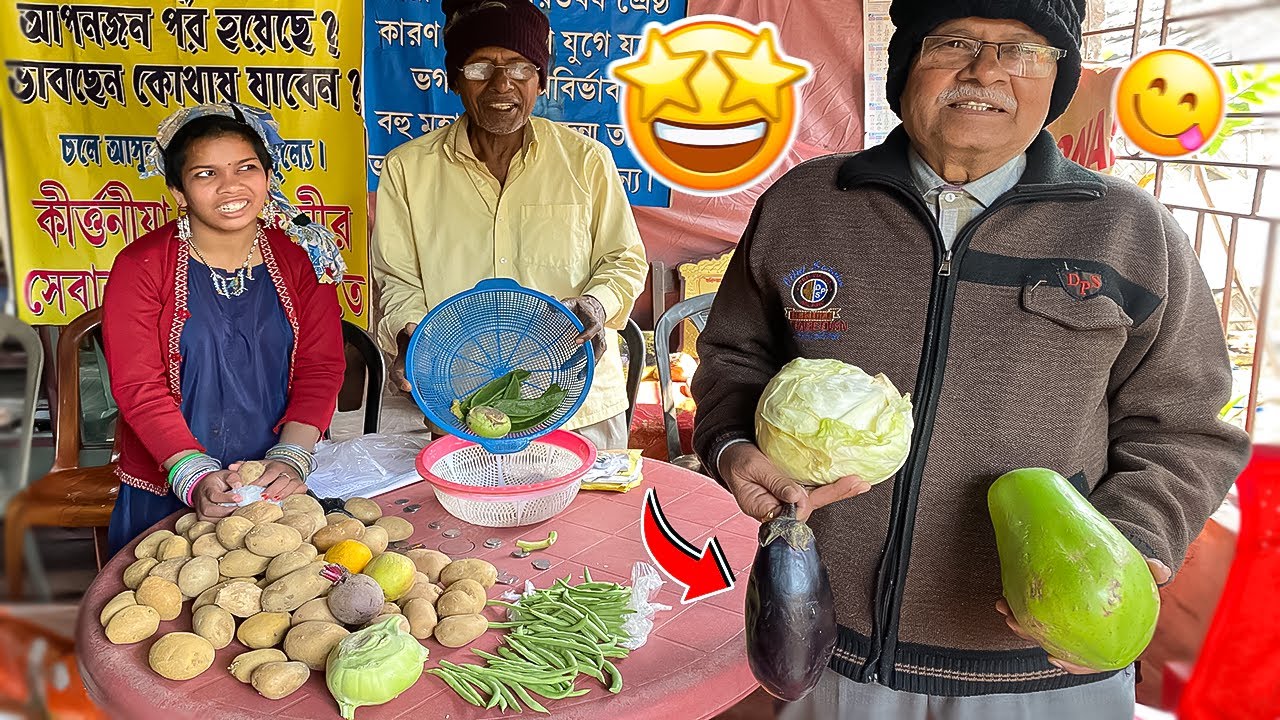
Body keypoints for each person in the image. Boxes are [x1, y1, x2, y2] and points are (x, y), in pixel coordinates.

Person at [691, 1, 1251, 718]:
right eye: (953, 41)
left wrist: (1129, 547)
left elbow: (1184, 427)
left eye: (1024, 50)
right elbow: (733, 358)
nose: (985, 71)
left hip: (1044, 668)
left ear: (1058, 78)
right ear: (906, 69)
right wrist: (733, 445)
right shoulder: (808, 203)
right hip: (837, 647)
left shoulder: (1130, 230)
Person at [371, 0, 648, 451]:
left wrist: (597, 305)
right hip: (461, 402)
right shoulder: (408, 168)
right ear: (454, 80)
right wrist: (411, 333)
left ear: (542, 78)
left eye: (520, 67)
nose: (502, 84)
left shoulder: (587, 162)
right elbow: (397, 279)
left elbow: (624, 260)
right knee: (468, 521)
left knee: (592, 523)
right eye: (481, 67)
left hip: (577, 401)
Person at [101, 103, 347, 555]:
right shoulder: (140, 266)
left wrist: (291, 456)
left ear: (268, 177)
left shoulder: (301, 260)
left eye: (246, 168)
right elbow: (139, 385)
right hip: (168, 482)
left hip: (276, 486)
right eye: (206, 174)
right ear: (178, 191)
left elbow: (322, 367)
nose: (230, 186)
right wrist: (192, 474)